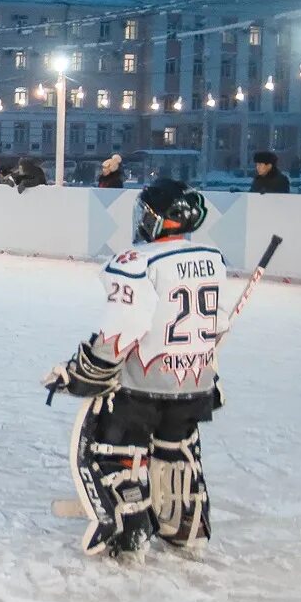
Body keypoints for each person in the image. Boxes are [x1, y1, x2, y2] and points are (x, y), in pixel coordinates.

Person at [43, 178, 224, 556]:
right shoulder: (211, 259)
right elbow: (216, 324)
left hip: (144, 385)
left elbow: (121, 331)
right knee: (177, 452)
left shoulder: (138, 262)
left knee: (118, 451)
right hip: (195, 381)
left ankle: (129, 530)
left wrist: (83, 370)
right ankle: (183, 523)